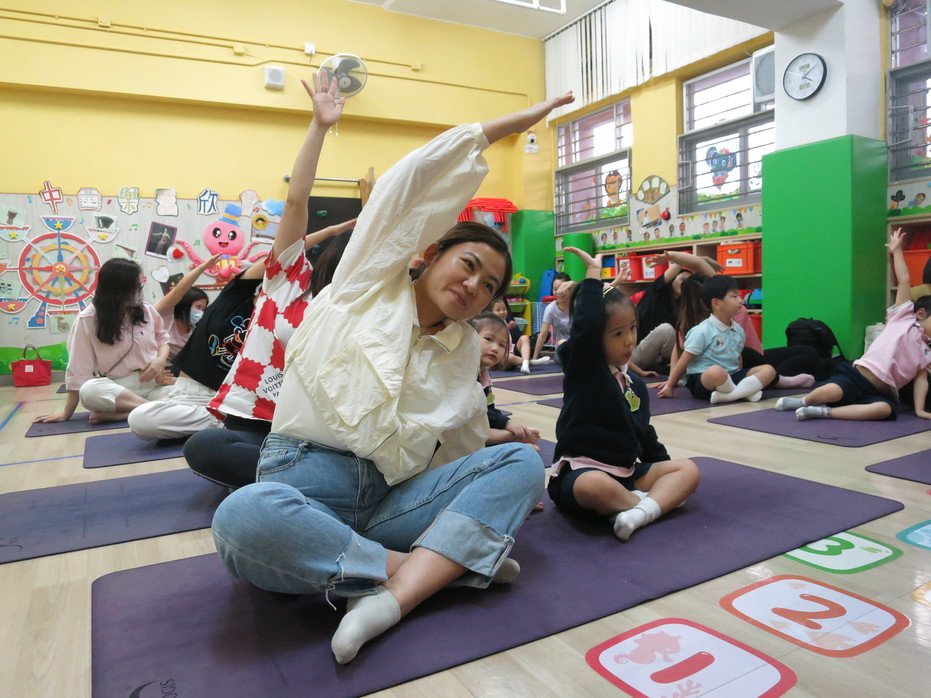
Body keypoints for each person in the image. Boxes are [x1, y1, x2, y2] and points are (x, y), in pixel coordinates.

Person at [210, 84, 573, 665]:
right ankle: (431, 570)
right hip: (307, 488)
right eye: (468, 265)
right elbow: (410, 182)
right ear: (431, 253)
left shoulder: (463, 349)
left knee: (523, 462)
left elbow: (458, 441)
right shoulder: (365, 284)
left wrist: (495, 488)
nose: (473, 286)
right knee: (241, 518)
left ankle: (389, 596)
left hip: (392, 502)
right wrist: (505, 126)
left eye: (488, 285)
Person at [181, 75, 356, 485]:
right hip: (254, 421)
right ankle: (300, 482)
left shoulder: (359, 310)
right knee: (205, 447)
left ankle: (291, 482)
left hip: (316, 434)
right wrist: (319, 127)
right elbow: (296, 201)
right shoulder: (289, 282)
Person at [547, 247, 699, 541]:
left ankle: (635, 513)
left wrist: (662, 468)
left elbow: (644, 434)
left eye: (632, 328)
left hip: (628, 473)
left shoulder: (634, 384)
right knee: (595, 486)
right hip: (582, 473)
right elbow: (586, 328)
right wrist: (593, 275)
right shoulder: (585, 370)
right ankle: (650, 505)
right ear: (595, 338)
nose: (630, 340)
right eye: (617, 334)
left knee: (688, 469)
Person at [775, 229, 931, 421]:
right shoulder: (904, 319)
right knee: (832, 391)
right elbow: (904, 280)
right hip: (856, 377)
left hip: (882, 392)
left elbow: (921, 380)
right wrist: (897, 251)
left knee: (884, 410)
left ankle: (825, 412)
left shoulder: (927, 352)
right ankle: (803, 402)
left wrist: (920, 410)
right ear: (921, 313)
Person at [34, 259, 172, 425]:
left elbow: (163, 339)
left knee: (190, 391)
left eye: (140, 285)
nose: (139, 290)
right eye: (136, 286)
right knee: (88, 391)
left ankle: (128, 413)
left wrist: (160, 359)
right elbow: (78, 369)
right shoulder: (88, 318)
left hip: (154, 385)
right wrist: (66, 414)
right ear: (119, 288)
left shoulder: (146, 311)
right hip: (119, 390)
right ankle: (154, 409)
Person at [659, 275, 776, 403]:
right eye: (734, 296)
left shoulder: (738, 330)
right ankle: (743, 392)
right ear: (716, 303)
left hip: (732, 376)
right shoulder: (702, 331)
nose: (740, 300)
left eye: (739, 296)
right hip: (703, 380)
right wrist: (670, 384)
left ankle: (731, 395)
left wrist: (740, 374)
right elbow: (684, 360)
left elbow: (738, 357)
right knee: (716, 371)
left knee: (768, 370)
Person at [629, 250, 720, 374]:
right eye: (682, 279)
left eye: (686, 283)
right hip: (636, 356)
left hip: (659, 359)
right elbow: (678, 263)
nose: (683, 285)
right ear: (673, 279)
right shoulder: (657, 291)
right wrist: (700, 259)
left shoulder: (685, 305)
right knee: (666, 330)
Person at [469, 312, 541, 448]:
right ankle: (511, 437)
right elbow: (473, 415)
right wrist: (506, 424)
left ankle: (513, 437)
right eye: (489, 339)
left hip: (474, 427)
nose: (495, 348)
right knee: (471, 432)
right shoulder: (464, 373)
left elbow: (488, 408)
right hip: (457, 435)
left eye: (502, 345)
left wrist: (506, 423)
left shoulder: (483, 374)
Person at [153, 254, 219, 364]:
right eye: (198, 307)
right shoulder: (165, 315)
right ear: (185, 303)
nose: (200, 312)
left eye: (203, 309)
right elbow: (177, 291)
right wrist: (202, 267)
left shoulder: (195, 333)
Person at [489, 297, 551, 374]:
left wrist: (509, 326)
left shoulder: (504, 321)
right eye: (498, 310)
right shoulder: (491, 324)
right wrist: (507, 328)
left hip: (511, 351)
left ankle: (525, 363)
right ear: (491, 312)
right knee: (508, 357)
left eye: (504, 309)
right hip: (501, 358)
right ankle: (531, 362)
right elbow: (496, 338)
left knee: (524, 338)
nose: (502, 312)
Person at [531, 273, 574, 361]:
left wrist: (573, 283)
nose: (558, 292)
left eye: (562, 288)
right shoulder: (550, 309)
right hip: (562, 348)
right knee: (562, 348)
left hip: (578, 345)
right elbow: (543, 334)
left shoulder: (578, 304)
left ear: (570, 288)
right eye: (555, 289)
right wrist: (534, 358)